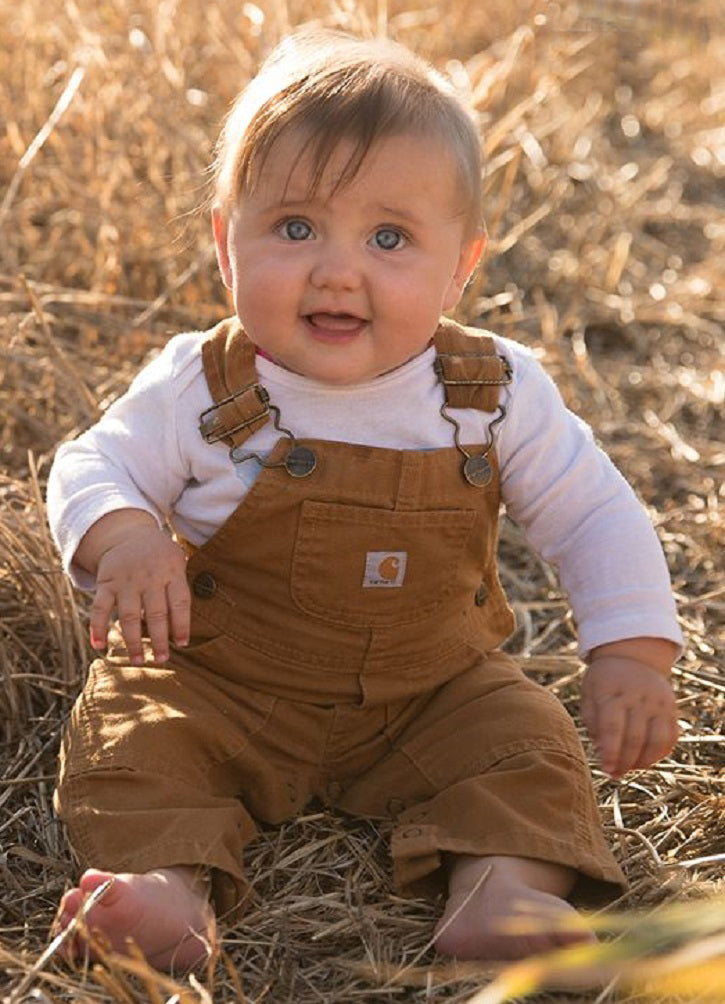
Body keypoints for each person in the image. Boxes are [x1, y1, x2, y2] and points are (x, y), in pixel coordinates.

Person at [47, 27, 682, 974]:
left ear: (459, 266)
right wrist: (127, 534)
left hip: (430, 695)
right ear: (228, 245)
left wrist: (630, 648)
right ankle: (166, 890)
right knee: (134, 733)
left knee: (527, 742)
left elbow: (595, 511)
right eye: (295, 228)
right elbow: (88, 464)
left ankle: (502, 888)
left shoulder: (494, 390)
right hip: (220, 685)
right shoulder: (202, 383)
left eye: (389, 238)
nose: (338, 270)